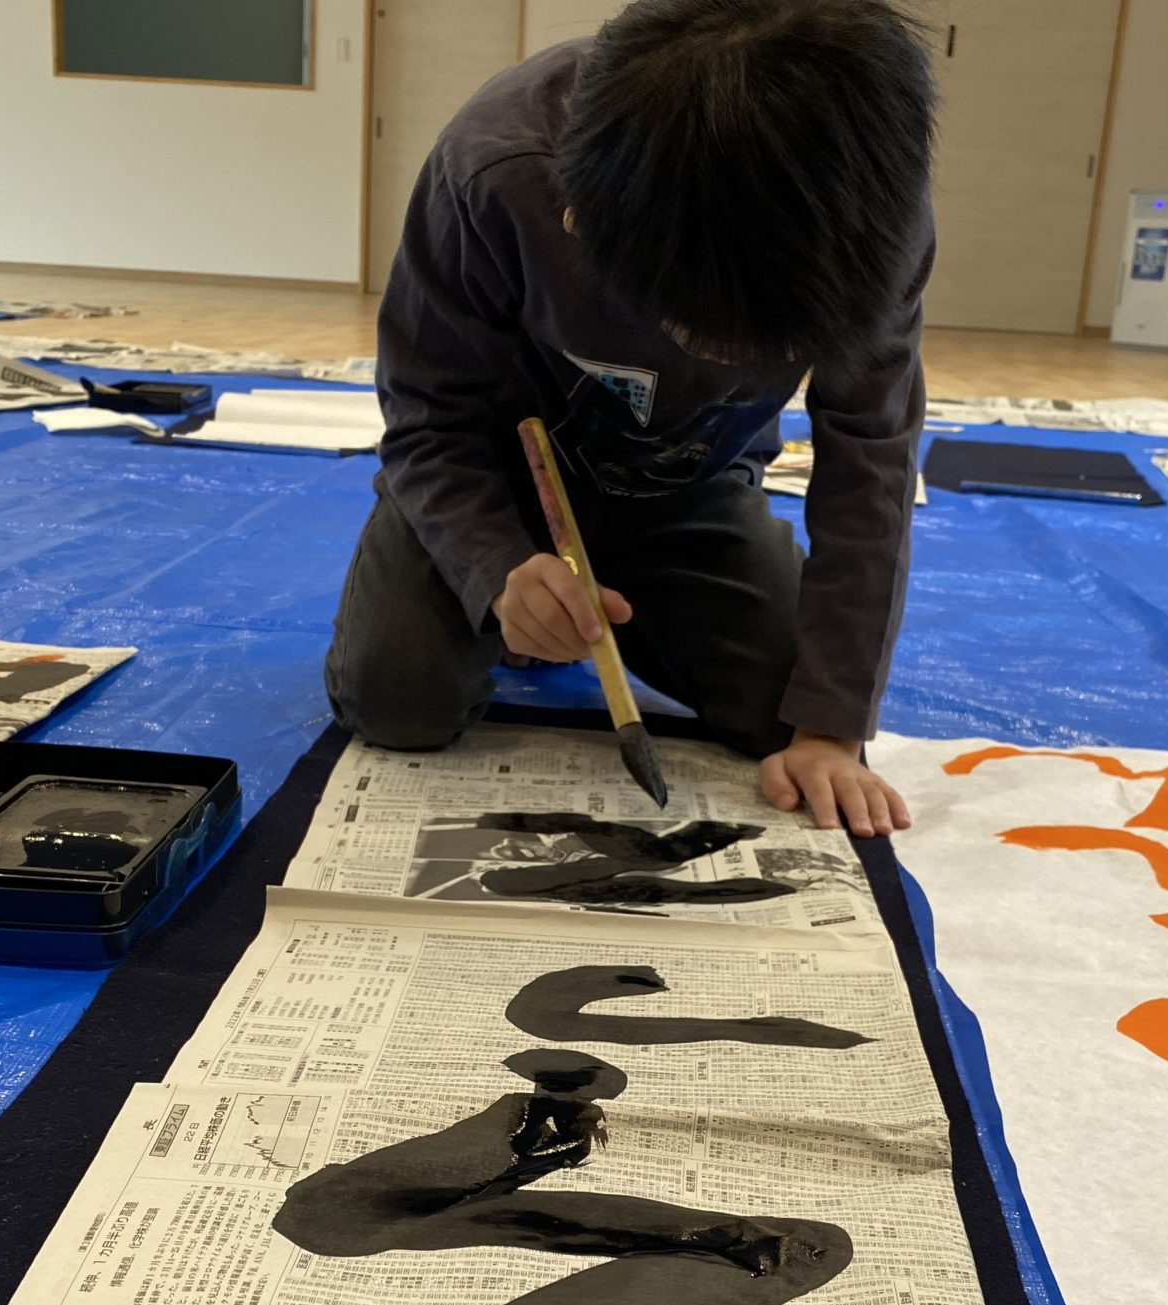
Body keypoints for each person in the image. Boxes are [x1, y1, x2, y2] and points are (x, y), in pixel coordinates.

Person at [325, 0, 933, 836]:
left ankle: (606, 617)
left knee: (789, 706)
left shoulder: (871, 221)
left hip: (689, 488)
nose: (717, 358)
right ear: (582, 223)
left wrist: (831, 731)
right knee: (399, 695)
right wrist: (495, 568)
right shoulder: (499, 170)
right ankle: (519, 612)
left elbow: (872, 458)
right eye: (692, 325)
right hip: (494, 475)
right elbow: (430, 415)